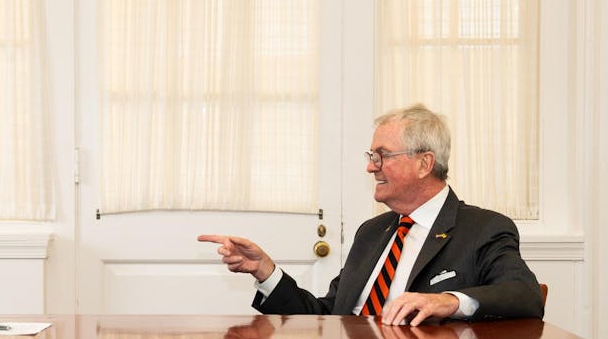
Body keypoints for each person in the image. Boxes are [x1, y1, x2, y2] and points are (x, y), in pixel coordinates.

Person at [199, 104, 544, 326]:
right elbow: (327, 318)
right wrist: (265, 271)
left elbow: (524, 294)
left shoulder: (483, 229)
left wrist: (448, 301)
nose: (369, 167)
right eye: (370, 156)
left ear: (425, 163)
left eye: (381, 156)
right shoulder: (372, 232)